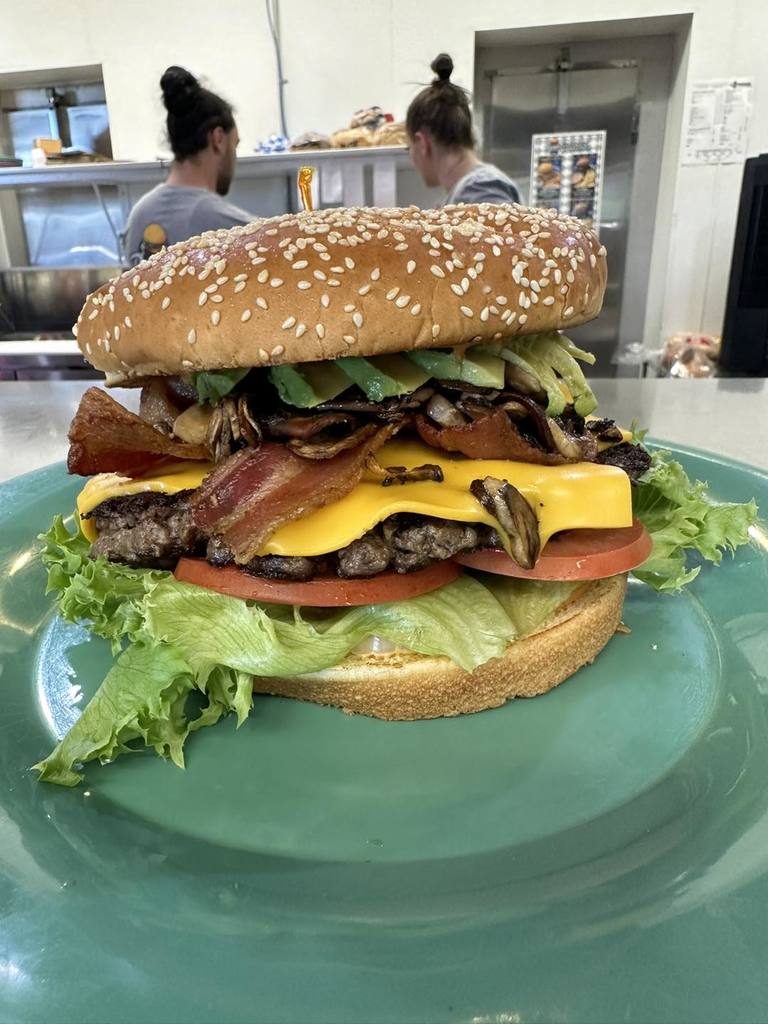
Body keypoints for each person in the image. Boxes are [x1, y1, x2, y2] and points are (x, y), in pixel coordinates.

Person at [123, 66, 251, 263]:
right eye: (235, 145)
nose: (234, 157)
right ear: (218, 139)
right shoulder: (231, 227)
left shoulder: (139, 214)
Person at [406, 53, 521, 207]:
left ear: (422, 144)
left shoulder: (478, 188)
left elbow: (496, 223)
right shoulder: (471, 189)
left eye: (409, 147)